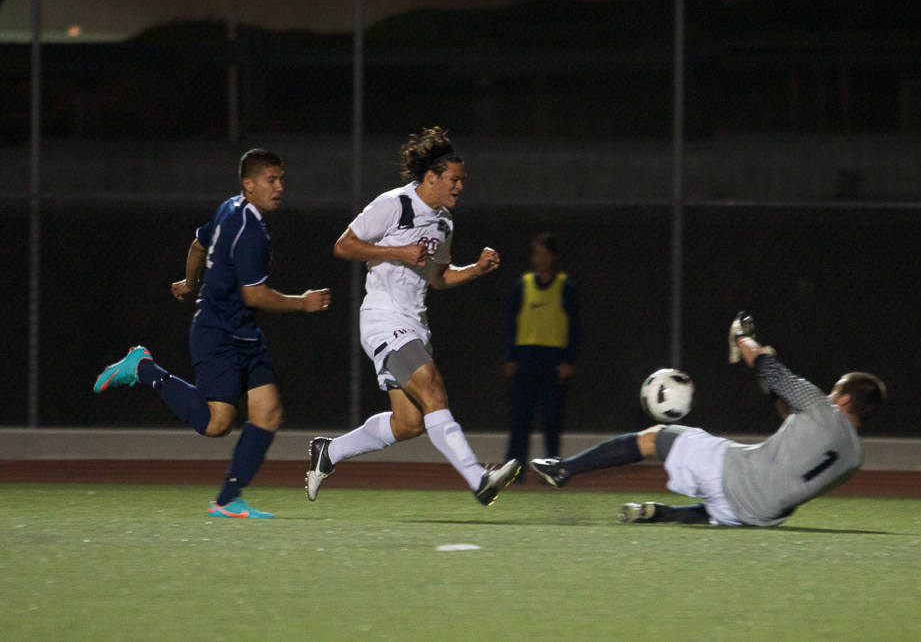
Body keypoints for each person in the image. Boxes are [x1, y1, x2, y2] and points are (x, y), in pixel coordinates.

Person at [93, 149, 331, 519]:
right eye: (271, 180)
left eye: (282, 179)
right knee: (217, 424)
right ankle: (143, 368)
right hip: (218, 332)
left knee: (267, 414)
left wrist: (190, 282)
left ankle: (226, 501)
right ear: (248, 184)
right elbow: (254, 294)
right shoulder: (251, 230)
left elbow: (198, 245)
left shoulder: (229, 208)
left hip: (244, 333)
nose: (280, 186)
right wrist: (303, 303)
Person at [306, 127, 521, 505]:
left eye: (462, 181)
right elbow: (344, 246)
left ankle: (330, 452)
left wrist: (477, 269)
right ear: (432, 176)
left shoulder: (443, 223)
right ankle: (478, 480)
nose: (459, 187)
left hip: (414, 324)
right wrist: (399, 253)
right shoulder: (393, 204)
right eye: (454, 180)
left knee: (409, 424)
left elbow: (438, 277)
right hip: (383, 318)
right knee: (434, 389)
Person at [530, 313, 885, 527]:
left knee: (657, 436)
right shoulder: (854, 459)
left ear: (846, 398)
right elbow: (795, 427)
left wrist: (743, 337)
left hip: (735, 480)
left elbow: (768, 366)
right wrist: (771, 388)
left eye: (835, 389)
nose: (829, 394)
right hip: (761, 517)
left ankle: (565, 469)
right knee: (739, 494)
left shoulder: (822, 410)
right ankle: (663, 514)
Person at [501, 232, 581, 476]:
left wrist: (570, 359)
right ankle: (514, 472)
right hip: (525, 360)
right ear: (531, 257)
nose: (541, 258)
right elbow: (510, 324)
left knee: (552, 423)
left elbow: (575, 326)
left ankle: (552, 472)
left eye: (546, 253)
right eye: (537, 253)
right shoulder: (521, 286)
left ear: (554, 256)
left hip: (554, 362)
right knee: (519, 422)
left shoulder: (565, 287)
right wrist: (509, 357)